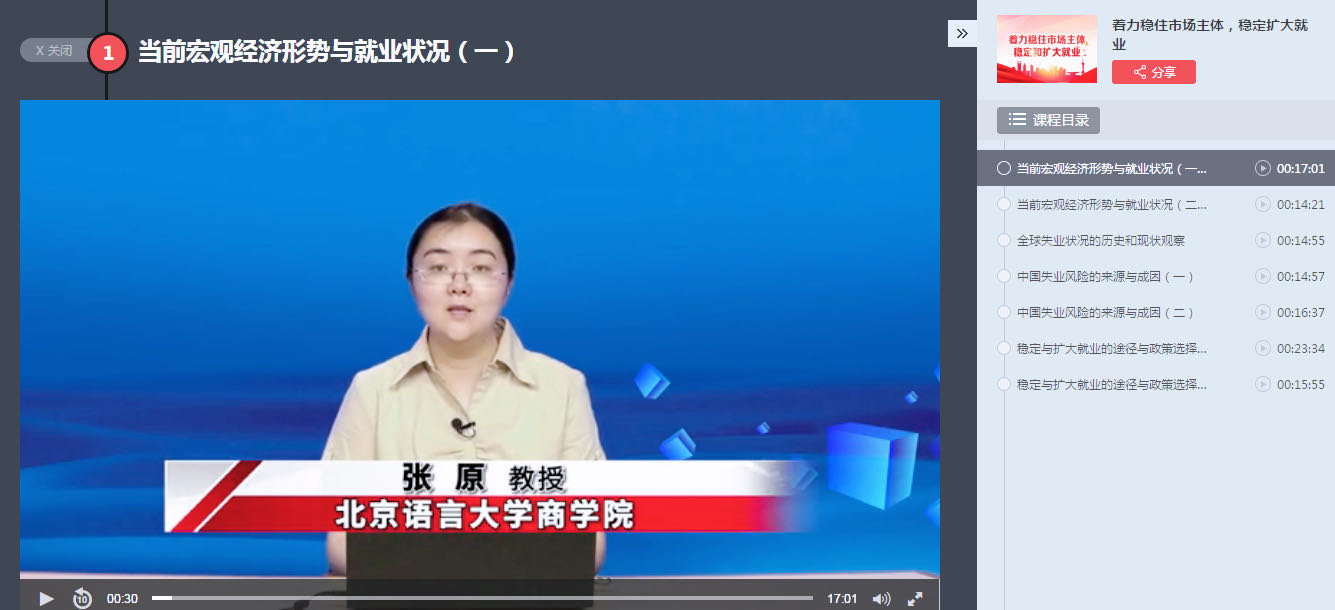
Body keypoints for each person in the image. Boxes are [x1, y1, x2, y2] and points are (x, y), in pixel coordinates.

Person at [321, 202, 607, 575]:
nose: (459, 285)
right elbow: (343, 540)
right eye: (438, 268)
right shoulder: (372, 389)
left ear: (509, 283)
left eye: (481, 268)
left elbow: (587, 541)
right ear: (411, 282)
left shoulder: (562, 386)